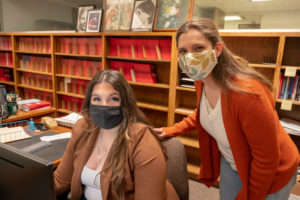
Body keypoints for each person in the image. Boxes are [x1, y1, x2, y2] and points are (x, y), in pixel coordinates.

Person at [154, 18, 300, 200]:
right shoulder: (202, 80)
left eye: (198, 48)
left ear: (217, 49)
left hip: (274, 171)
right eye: (183, 51)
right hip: (234, 161)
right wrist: (171, 130)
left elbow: (267, 161)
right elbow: (205, 113)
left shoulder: (247, 94)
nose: (189, 57)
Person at [54, 70, 179, 200]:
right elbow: (60, 181)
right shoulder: (83, 128)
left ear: (125, 103)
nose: (104, 106)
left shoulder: (143, 141)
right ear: (89, 102)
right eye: (97, 99)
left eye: (113, 99)